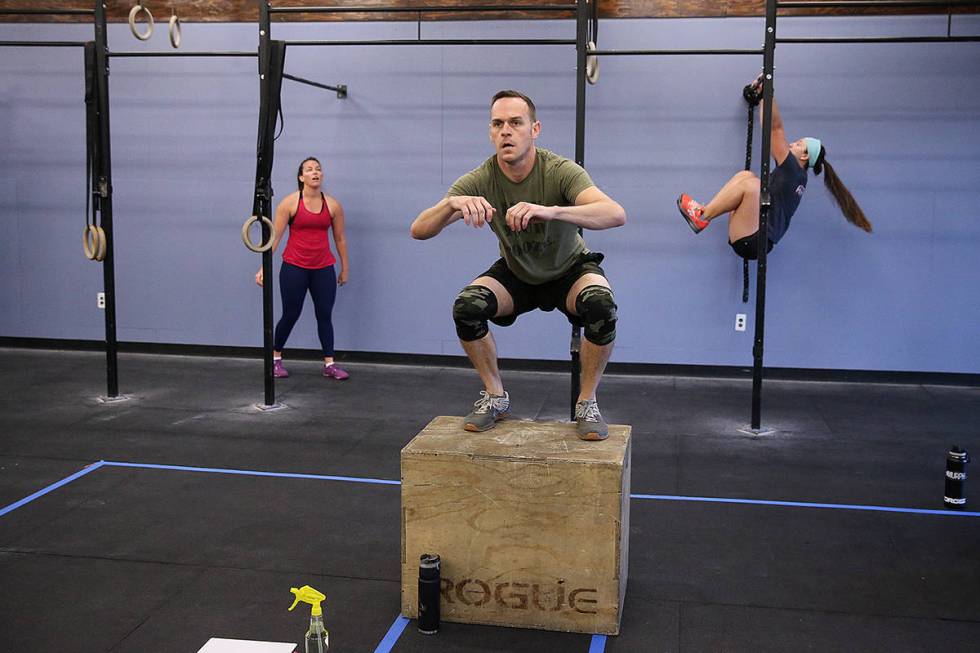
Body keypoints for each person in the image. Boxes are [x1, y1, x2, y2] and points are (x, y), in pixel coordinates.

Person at [411, 90, 626, 440]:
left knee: (601, 305)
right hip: (518, 273)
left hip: (569, 270)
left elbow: (615, 214)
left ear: (535, 129)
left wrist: (551, 210)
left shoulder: (559, 171)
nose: (506, 131)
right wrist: (452, 204)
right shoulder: (481, 179)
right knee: (467, 307)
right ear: (490, 132)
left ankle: (587, 401)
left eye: (515, 123)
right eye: (498, 124)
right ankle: (495, 396)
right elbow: (419, 230)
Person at [676, 75, 871, 259]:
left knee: (753, 186)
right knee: (746, 176)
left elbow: (775, 130)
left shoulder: (794, 171)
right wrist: (762, 97)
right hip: (751, 234)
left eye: (798, 144)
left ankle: (703, 216)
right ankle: (703, 211)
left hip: (754, 241)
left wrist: (767, 93)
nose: (792, 143)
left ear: (804, 155)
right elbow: (773, 130)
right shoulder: (795, 175)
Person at [255, 156, 350, 380]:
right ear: (301, 177)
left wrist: (345, 268)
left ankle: (329, 364)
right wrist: (263, 268)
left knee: (324, 315)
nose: (315, 172)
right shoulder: (289, 203)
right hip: (294, 267)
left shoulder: (333, 205)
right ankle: (275, 358)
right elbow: (275, 238)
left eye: (318, 169)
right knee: (290, 314)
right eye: (309, 170)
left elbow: (340, 239)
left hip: (323, 268)